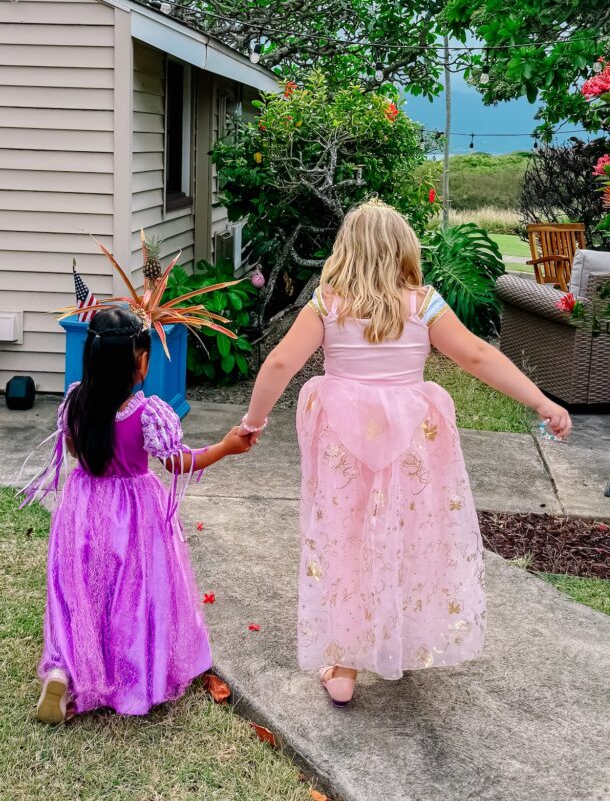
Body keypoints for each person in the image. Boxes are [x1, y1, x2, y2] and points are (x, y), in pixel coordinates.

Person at [239, 199, 571, 705]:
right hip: (410, 444)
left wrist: (253, 421)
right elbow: (478, 354)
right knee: (407, 532)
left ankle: (344, 665)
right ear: (403, 250)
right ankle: (403, 637)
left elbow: (282, 362)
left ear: (346, 250)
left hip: (343, 445)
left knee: (346, 538)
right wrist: (541, 401)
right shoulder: (423, 303)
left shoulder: (327, 303)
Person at [24, 306, 253, 724]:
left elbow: (73, 448)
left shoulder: (74, 401)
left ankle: (64, 670)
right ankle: (129, 679)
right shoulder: (148, 414)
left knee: (82, 595)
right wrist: (225, 447)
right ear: (141, 361)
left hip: (82, 507)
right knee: (131, 595)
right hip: (133, 514)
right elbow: (178, 462)